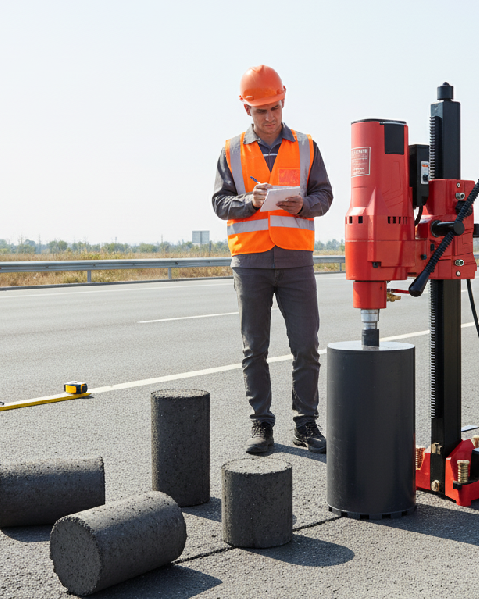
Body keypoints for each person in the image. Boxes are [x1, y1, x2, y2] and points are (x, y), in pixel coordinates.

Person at [212, 65, 333, 454]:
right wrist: (249, 203)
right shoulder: (231, 150)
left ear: (284, 101)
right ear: (247, 109)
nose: (270, 117)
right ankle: (261, 424)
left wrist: (306, 204)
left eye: (275, 108)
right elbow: (219, 203)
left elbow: (325, 195)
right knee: (254, 348)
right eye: (261, 110)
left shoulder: (306, 145)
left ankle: (306, 423)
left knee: (305, 346)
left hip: (296, 259)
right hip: (250, 261)